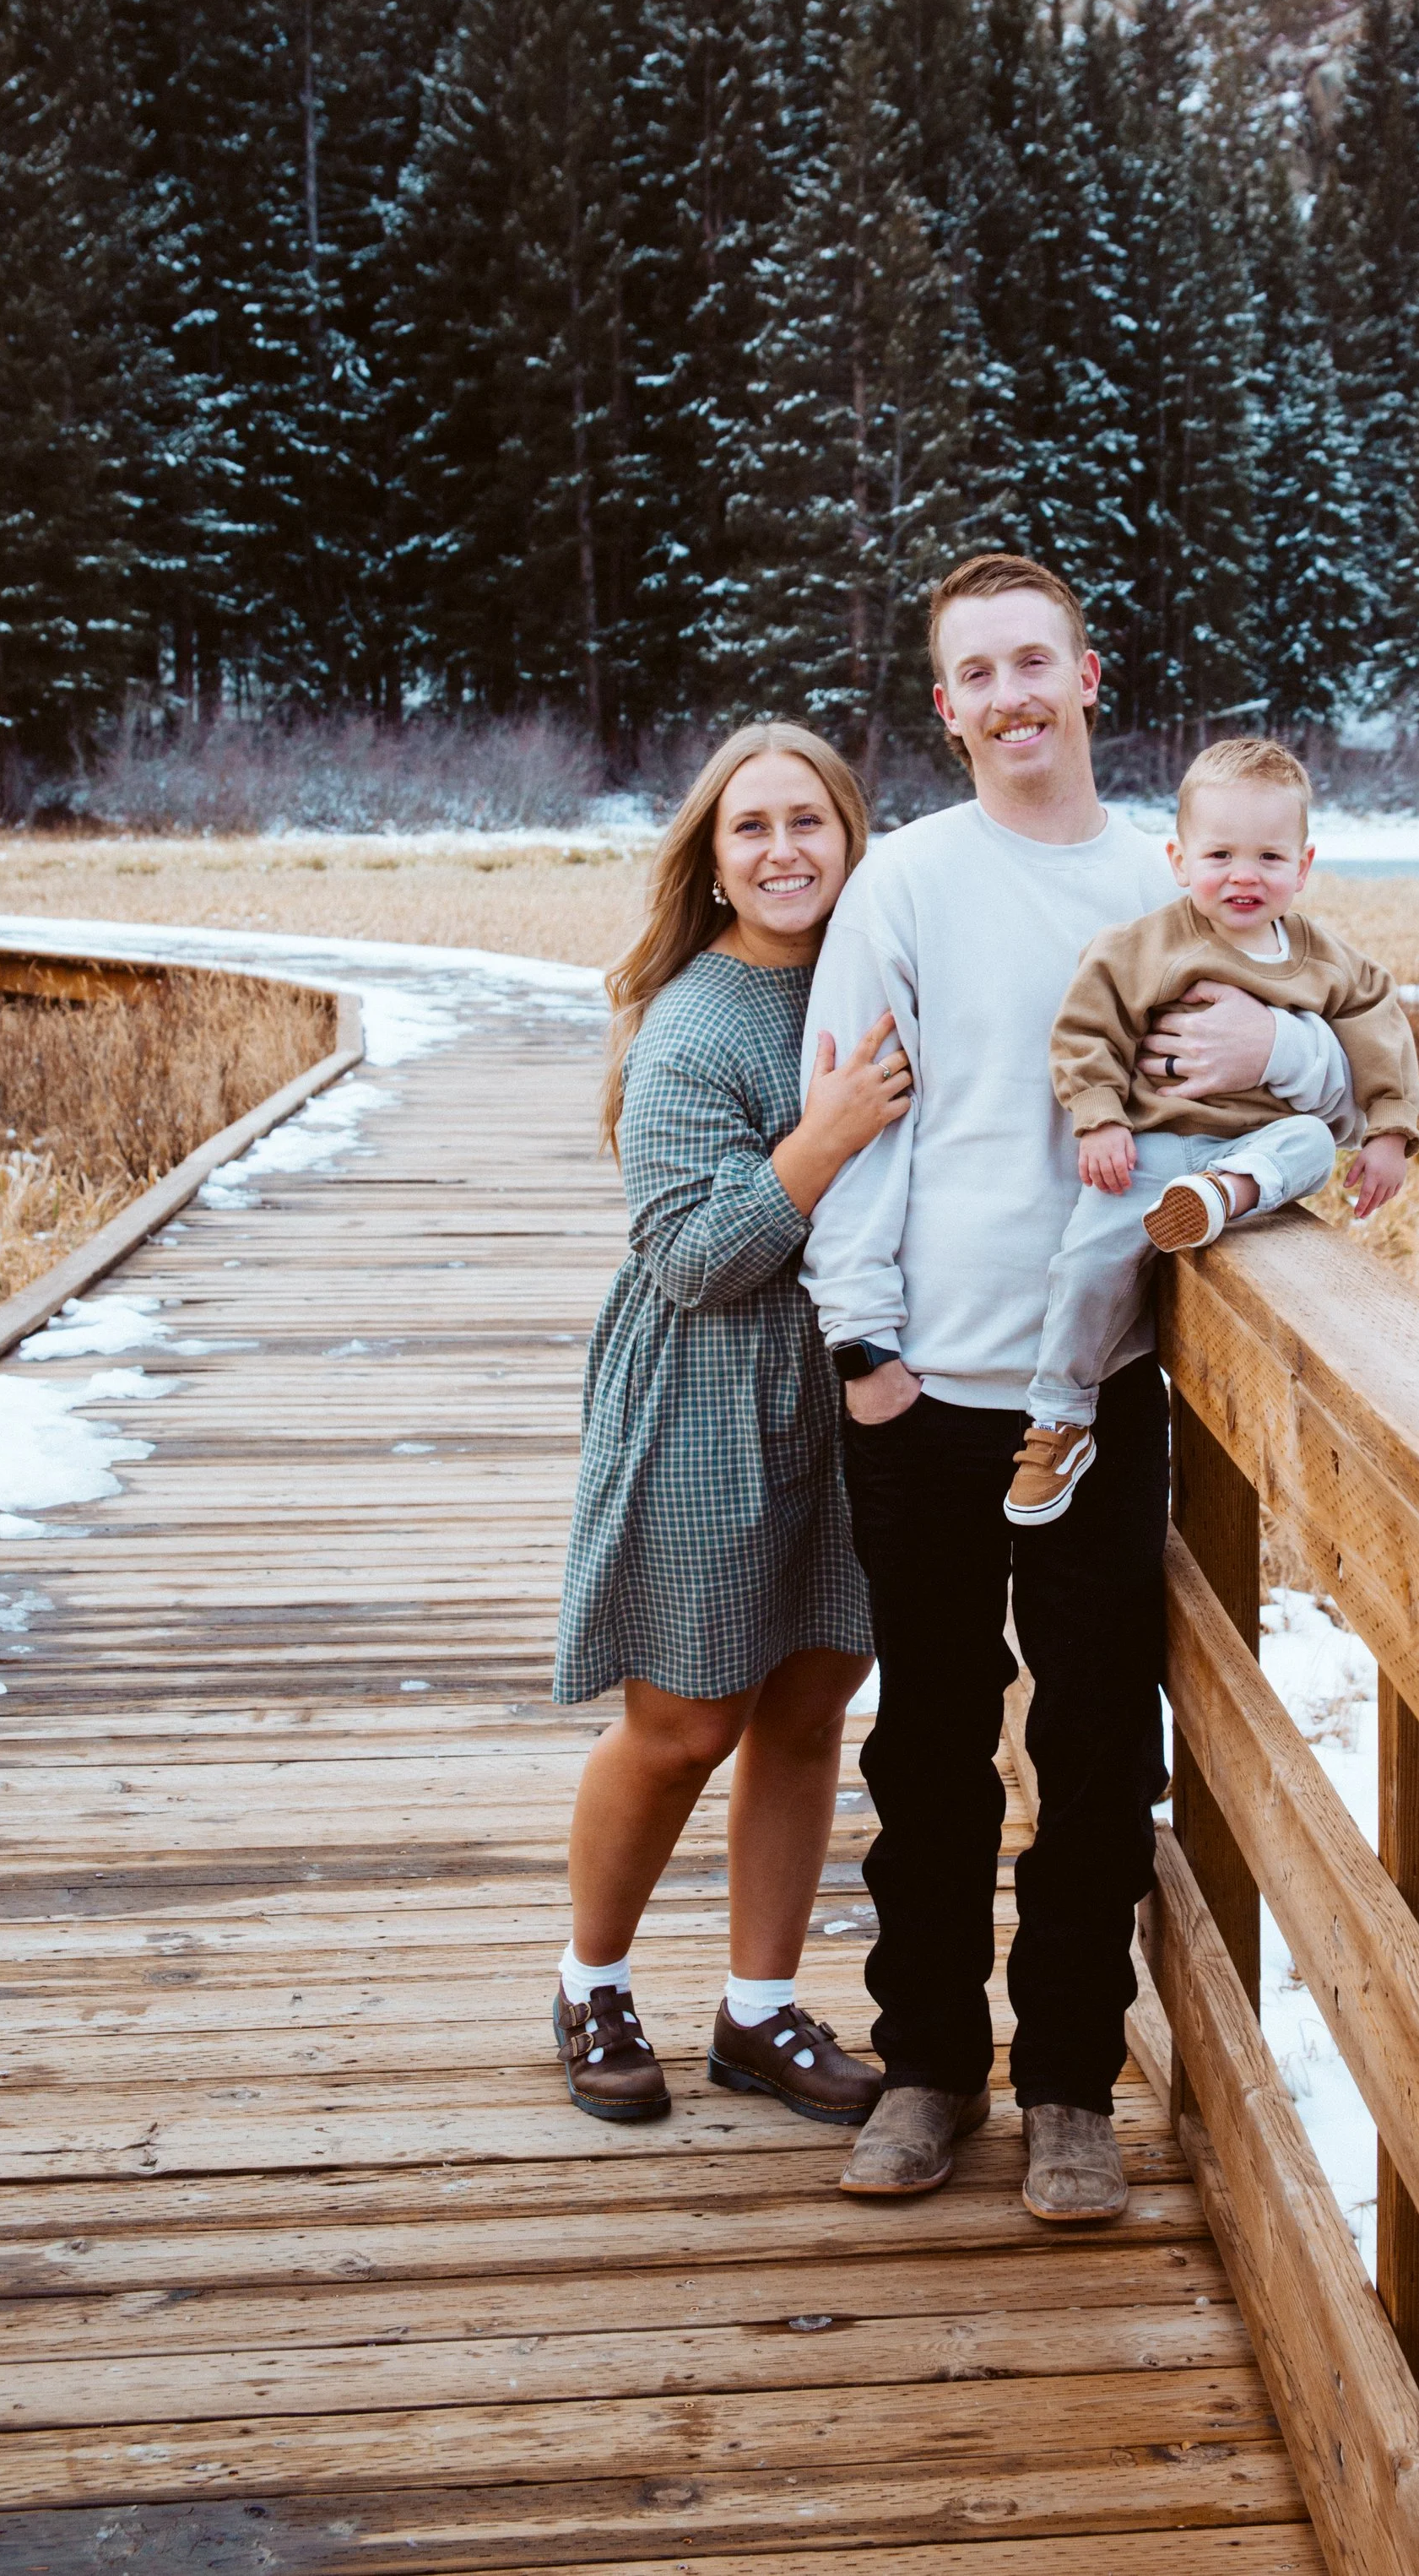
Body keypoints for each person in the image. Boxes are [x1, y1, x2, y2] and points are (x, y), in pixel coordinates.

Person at [799, 553, 1339, 2224]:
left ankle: (1067, 2092)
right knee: (932, 1749)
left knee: (1099, 1747)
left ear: (1086, 677)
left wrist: (1277, 1055)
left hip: (1096, 1392)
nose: (1010, 695)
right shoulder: (904, 885)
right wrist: (864, 1353)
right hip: (924, 1392)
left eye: (1034, 660)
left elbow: (1341, 1057)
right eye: (976, 672)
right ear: (944, 705)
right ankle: (924, 2070)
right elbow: (852, 1122)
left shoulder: (1175, 874)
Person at [552, 722, 911, 2130]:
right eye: (751, 827)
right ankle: (591, 1981)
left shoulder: (875, 980)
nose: (783, 850)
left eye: (807, 821)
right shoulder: (695, 1025)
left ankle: (758, 2012)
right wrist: (824, 1138)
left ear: (851, 839)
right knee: (686, 1720)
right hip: (707, 1393)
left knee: (812, 1704)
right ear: (711, 862)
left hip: (853, 1391)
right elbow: (693, 1259)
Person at [1009, 733, 1419, 1518]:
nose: (1244, 875)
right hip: (1151, 1153)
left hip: (1254, 1149)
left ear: (1303, 867)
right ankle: (1061, 1416)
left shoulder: (1323, 959)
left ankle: (1223, 1194)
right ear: (1179, 859)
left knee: (1311, 1143)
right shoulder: (1145, 946)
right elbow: (1087, 1030)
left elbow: (1377, 1022)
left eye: (1269, 857)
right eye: (1221, 854)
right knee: (1085, 1262)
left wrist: (1389, 1132)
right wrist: (1098, 1119)